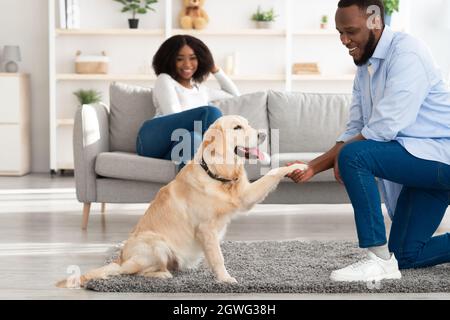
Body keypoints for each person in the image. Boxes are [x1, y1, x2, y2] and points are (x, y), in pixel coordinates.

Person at [287, 0, 450, 282]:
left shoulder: (408, 52)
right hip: (421, 166)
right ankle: (390, 260)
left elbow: (385, 126)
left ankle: (377, 259)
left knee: (355, 154)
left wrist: (344, 156)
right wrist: (312, 167)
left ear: (374, 21)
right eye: (339, 32)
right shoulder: (365, 67)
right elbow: (356, 127)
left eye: (350, 31)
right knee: (407, 255)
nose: (344, 40)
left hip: (440, 158)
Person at [136, 34, 240, 169]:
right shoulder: (165, 80)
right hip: (152, 139)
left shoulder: (202, 90)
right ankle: (230, 151)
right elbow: (172, 114)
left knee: (193, 139)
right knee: (211, 113)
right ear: (169, 60)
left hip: (175, 146)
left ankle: (188, 188)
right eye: (179, 59)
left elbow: (235, 96)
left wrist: (215, 69)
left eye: (193, 58)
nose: (187, 64)